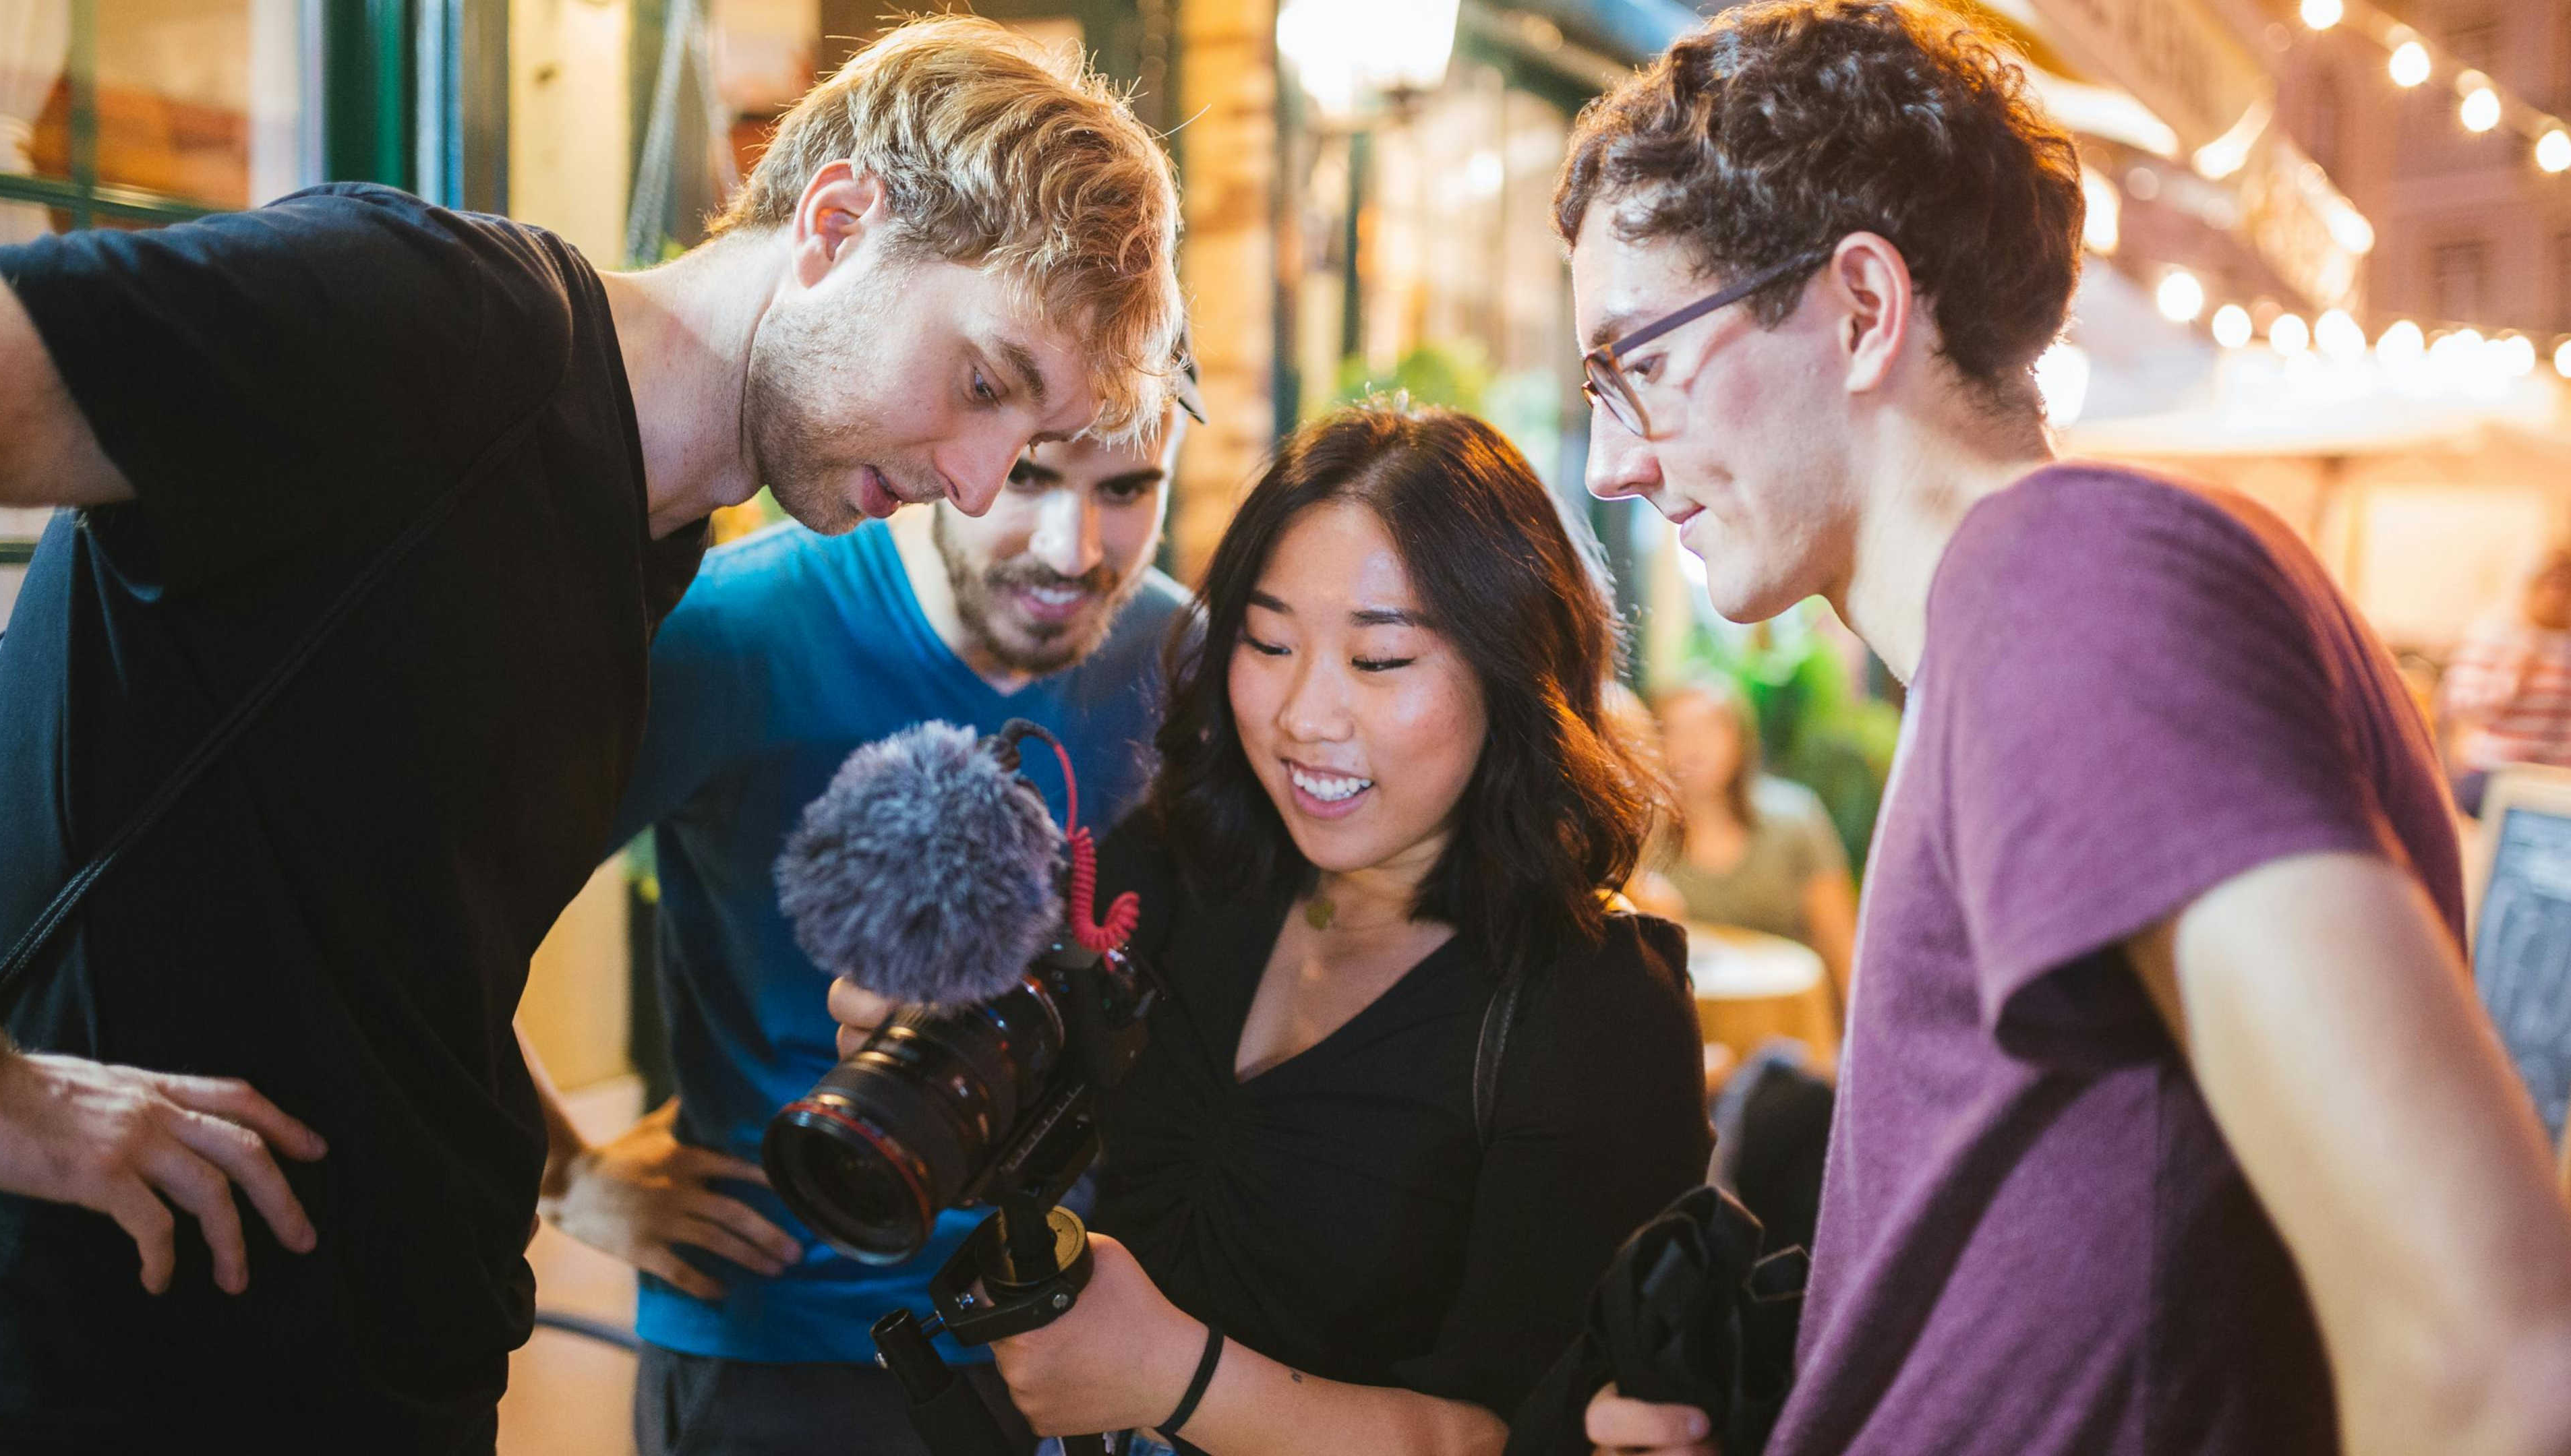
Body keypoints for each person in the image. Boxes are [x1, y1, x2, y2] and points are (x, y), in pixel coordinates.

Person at [0, 16, 1182, 1449]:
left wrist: (562, 1177)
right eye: (984, 384)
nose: (982, 487)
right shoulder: (439, 319)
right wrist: (2, 1100)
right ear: (836, 222)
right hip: (99, 1369)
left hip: (358, 1372)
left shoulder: (646, 543)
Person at [1552, 2, 2571, 1453]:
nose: (1608, 461)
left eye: (1633, 360)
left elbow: (2492, 1354)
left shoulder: (2070, 580)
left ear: (1858, 308)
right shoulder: (2029, 614)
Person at [844, 400, 1712, 1456]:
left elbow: (1530, 1434)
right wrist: (939, 1058)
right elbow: (1039, 1077)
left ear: (1513, 675)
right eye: (1267, 643)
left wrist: (1174, 1376)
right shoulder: (1186, 867)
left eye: (1380, 662)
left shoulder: (1596, 1008)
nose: (1305, 717)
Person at [535, 379, 1202, 1456]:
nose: (1074, 549)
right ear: (953, 452)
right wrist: (564, 1174)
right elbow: (420, 907)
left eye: (1126, 488)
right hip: (775, 1343)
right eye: (1028, 476)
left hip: (1074, 1336)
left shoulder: (1179, 658)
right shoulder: (737, 632)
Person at [1628, 678, 1857, 1006]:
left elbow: (1841, 944)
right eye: (1674, 731)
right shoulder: (1641, 834)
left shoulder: (1796, 819)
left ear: (1740, 739)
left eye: (1708, 728)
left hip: (1789, 1022)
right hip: (1689, 1019)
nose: (1694, 745)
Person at [2438, 542, 2571, 814]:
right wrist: (2512, 677)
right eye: (2553, 584)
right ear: (2531, 585)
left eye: (2567, 585)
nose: (2559, 595)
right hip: (2500, 770)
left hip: (2559, 773)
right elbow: (2460, 706)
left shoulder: (2566, 642)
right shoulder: (2496, 633)